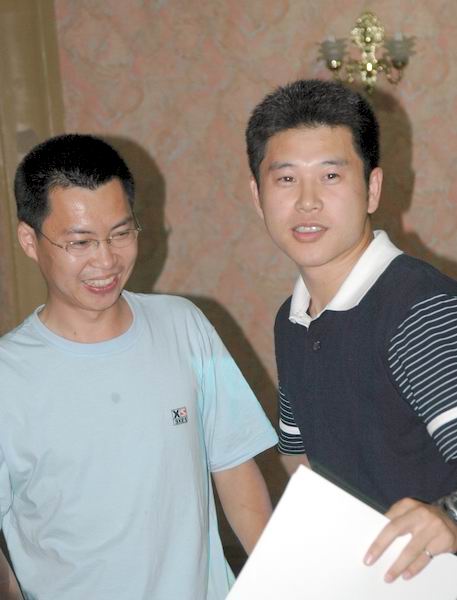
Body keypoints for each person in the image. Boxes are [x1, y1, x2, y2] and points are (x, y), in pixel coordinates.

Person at [0, 134, 277, 599]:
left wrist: (281, 580)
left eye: (121, 234)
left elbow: (234, 468)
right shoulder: (9, 376)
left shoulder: (184, 324)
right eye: (80, 242)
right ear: (30, 240)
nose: (106, 260)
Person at [245, 79, 457, 582]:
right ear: (257, 196)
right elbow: (302, 456)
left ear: (373, 189)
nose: (308, 202)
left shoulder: (419, 308)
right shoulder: (291, 318)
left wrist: (448, 518)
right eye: (286, 179)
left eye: (331, 176)